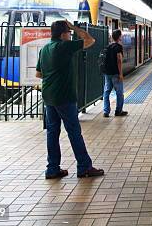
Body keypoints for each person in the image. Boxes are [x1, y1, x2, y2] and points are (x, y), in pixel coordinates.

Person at [36, 21, 104, 179]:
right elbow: (90, 40)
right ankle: (84, 167)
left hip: (49, 97)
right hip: (64, 97)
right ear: (63, 34)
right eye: (69, 32)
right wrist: (74, 27)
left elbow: (39, 74)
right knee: (74, 132)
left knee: (52, 132)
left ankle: (52, 169)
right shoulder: (64, 46)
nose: (70, 35)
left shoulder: (45, 48)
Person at [102, 29, 128, 118]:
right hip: (115, 73)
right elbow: (119, 60)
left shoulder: (108, 46)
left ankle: (106, 111)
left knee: (106, 92)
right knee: (119, 93)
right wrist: (120, 74)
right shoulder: (118, 47)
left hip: (107, 73)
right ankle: (118, 111)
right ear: (119, 37)